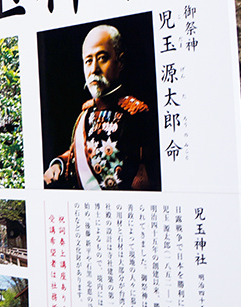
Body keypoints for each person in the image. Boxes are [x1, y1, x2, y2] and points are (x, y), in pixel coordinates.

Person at [43, 24, 156, 190]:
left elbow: (145, 176)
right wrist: (58, 164)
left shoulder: (135, 114)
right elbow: (76, 155)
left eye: (102, 58)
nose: (94, 68)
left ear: (120, 62)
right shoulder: (84, 115)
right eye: (88, 61)